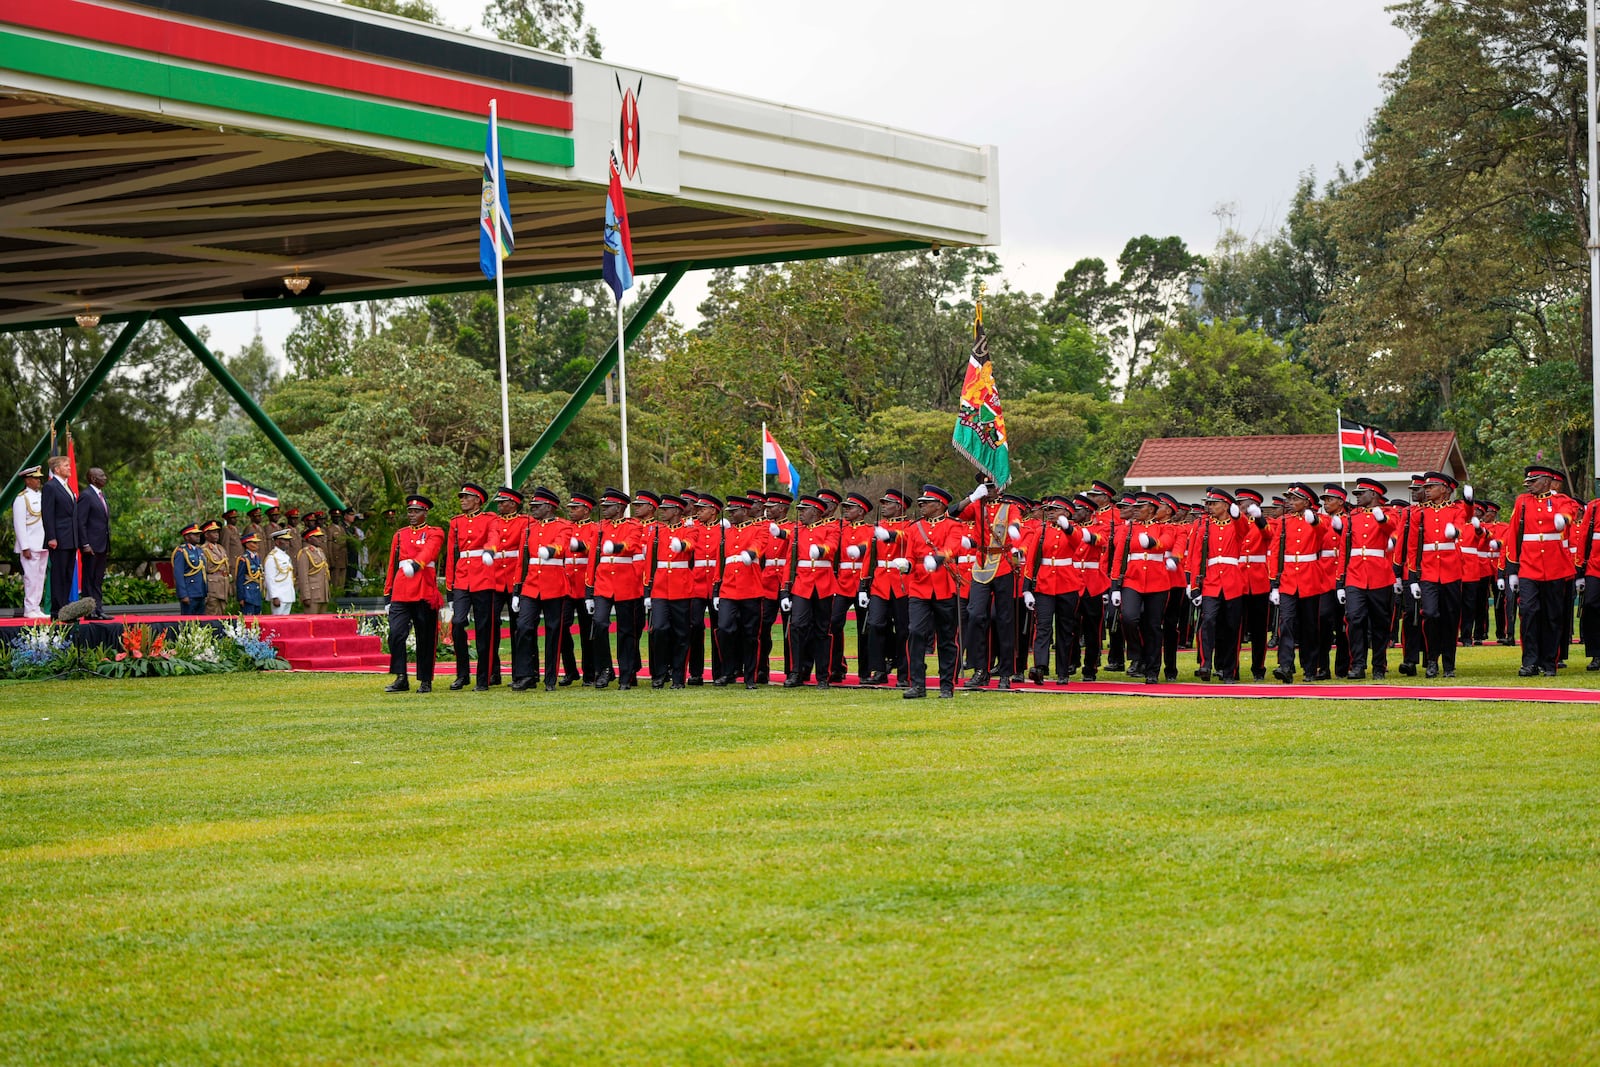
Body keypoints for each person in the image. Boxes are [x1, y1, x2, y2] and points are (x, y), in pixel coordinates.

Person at [1504, 465, 1579, 677]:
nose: (1529, 486)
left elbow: (1570, 512)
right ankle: (1529, 662)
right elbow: (1513, 534)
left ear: (1546, 481)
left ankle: (1549, 662)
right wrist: (1512, 570)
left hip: (1555, 567)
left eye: (1533, 481)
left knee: (1552, 616)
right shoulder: (1522, 502)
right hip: (1528, 566)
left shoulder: (1560, 500)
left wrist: (1562, 519)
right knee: (1528, 612)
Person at [899, 484, 966, 699]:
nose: (921, 506)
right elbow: (910, 555)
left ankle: (947, 684)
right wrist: (906, 565)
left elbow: (953, 548)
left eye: (926, 503)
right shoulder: (914, 527)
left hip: (944, 585)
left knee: (947, 637)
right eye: (921, 503)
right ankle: (917, 683)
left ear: (940, 505)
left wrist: (938, 559)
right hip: (919, 586)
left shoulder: (953, 525)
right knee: (916, 633)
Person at [1405, 471, 1472, 679]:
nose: (1426, 490)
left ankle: (1449, 664)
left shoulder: (1455, 509)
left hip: (1451, 570)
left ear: (1444, 490)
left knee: (1451, 618)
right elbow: (1413, 547)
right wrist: (1413, 577)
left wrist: (1457, 530)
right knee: (1431, 614)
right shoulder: (1420, 513)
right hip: (1428, 571)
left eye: (1430, 487)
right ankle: (1432, 660)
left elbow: (1464, 520)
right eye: (1425, 487)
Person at [1184, 488, 1254, 684]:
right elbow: (1197, 557)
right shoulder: (1205, 527)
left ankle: (1229, 670)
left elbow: (1244, 528)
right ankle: (1205, 664)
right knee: (1208, 621)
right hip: (1211, 582)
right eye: (1209, 504)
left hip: (1232, 582)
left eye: (1214, 504)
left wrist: (1236, 513)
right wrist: (1194, 585)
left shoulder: (1235, 524)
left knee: (1231, 628)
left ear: (1225, 505)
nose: (1210, 507)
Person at [1268, 483, 1334, 684]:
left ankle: (1310, 667)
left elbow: (1323, 532)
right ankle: (1285, 665)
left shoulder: (1320, 519)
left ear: (1306, 502)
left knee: (1309, 625)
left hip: (1309, 578)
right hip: (1288, 578)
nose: (1291, 503)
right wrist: (1274, 583)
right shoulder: (1284, 521)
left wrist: (1313, 521)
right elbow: (1275, 551)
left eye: (1296, 499)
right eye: (1291, 499)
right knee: (1286, 623)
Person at [1111, 492, 1176, 685]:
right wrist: (1115, 585)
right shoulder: (1128, 529)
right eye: (1136, 507)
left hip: (1157, 581)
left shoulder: (1164, 527)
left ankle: (1152, 670)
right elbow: (1118, 556)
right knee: (1129, 617)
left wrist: (1153, 543)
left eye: (1141, 507)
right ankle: (1137, 653)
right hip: (1133, 579)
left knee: (1153, 626)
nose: (1136, 510)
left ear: (1152, 509)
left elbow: (1167, 543)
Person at [512, 487, 573, 692]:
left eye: (537, 506)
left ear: (549, 507)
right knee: (523, 626)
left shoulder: (563, 526)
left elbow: (562, 546)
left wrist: (550, 550)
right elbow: (523, 560)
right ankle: (526, 675)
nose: (533, 510)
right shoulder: (529, 528)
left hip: (554, 585)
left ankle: (550, 678)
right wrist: (516, 590)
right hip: (531, 585)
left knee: (553, 631)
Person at [587, 487, 647, 689]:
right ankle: (604, 669)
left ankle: (626, 674)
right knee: (600, 624)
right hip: (603, 583)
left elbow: (631, 545)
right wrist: (589, 589)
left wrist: (616, 547)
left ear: (620, 507)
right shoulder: (600, 527)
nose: (604, 509)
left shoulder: (634, 525)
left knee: (626, 631)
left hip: (626, 583)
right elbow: (592, 558)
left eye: (608, 506)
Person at [384, 494, 445, 693]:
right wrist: (387, 595)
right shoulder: (400, 535)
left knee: (426, 637)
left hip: (424, 591)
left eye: (416, 511)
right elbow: (392, 566)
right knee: (396, 634)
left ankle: (425, 679)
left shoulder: (434, 532)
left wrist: (417, 564)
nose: (412, 515)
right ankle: (401, 677)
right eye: (410, 511)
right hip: (401, 592)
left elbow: (430, 551)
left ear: (425, 513)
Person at [781, 495, 841, 688]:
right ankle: (796, 671)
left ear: (815, 512)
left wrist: (821, 550)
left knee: (822, 630)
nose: (800, 514)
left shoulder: (830, 528)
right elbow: (790, 561)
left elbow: (832, 546)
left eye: (804, 510)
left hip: (823, 584)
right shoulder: (797, 531)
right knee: (797, 626)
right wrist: (785, 589)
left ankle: (823, 675)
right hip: (802, 584)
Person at [1341, 478, 1397, 680]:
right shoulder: (1352, 516)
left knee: (1380, 622)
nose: (1357, 497)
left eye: (1360, 494)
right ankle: (1357, 664)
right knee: (1354, 618)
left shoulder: (1389, 513)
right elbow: (1343, 546)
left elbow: (1392, 529)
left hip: (1379, 575)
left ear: (1373, 495)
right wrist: (1341, 579)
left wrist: (1380, 518)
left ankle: (1379, 666)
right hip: (1355, 574)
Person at [444, 482, 497, 692]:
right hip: (462, 578)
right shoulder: (456, 522)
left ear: (478, 500)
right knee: (457, 624)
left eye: (467, 497)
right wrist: (450, 586)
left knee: (483, 628)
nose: (462, 500)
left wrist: (489, 550)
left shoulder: (489, 519)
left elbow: (494, 536)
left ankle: (483, 678)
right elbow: (451, 554)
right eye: (461, 497)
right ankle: (462, 673)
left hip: (483, 577)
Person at [646, 494, 696, 689]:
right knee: (658, 629)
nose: (662, 512)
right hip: (659, 587)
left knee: (681, 634)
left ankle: (678, 677)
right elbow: (650, 561)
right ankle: (659, 673)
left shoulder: (688, 529)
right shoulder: (657, 531)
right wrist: (647, 589)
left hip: (681, 587)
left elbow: (692, 544)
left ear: (676, 511)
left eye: (666, 509)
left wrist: (681, 545)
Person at [71, 466, 112, 619]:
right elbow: (81, 522)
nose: (105, 477)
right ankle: (89, 611)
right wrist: (85, 544)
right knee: (89, 580)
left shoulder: (101, 495)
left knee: (97, 580)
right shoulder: (87, 495)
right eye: (102, 475)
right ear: (94, 479)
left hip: (102, 544)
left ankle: (99, 609)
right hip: (91, 546)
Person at [40, 455, 77, 619]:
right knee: (58, 575)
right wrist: (51, 537)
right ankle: (56, 610)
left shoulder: (67, 486)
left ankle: (65, 609)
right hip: (59, 539)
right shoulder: (51, 486)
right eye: (66, 465)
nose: (69, 468)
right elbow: (48, 514)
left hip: (71, 538)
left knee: (68, 574)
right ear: (56, 469)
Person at [11, 465, 48, 619]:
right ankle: (29, 608)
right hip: (30, 544)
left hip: (42, 543)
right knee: (31, 578)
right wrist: (24, 546)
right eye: (35, 478)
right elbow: (19, 525)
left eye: (39, 478)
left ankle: (36, 607)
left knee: (40, 577)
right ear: (27, 480)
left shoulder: (41, 496)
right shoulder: (21, 498)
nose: (38, 481)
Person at [171, 523, 207, 615]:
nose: (198, 536)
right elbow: (178, 575)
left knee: (200, 624)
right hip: (189, 593)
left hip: (200, 592)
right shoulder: (182, 551)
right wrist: (183, 595)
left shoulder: (199, 550)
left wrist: (205, 591)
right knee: (188, 624)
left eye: (198, 534)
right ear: (187, 537)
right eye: (194, 534)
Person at [296, 527, 331, 615]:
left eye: (321, 537)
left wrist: (327, 593)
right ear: (309, 538)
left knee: (322, 623)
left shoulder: (320, 552)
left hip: (322, 593)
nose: (320, 539)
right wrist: (306, 596)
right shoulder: (305, 553)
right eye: (317, 537)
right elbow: (303, 576)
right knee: (311, 621)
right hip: (312, 594)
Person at [200, 519, 230, 614]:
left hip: (223, 585)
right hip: (212, 587)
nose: (217, 534)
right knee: (212, 613)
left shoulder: (221, 548)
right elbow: (203, 570)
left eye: (217, 532)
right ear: (206, 535)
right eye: (213, 532)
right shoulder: (203, 550)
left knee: (223, 614)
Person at [264, 528, 296, 614]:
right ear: (277, 542)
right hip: (279, 596)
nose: (287, 543)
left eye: (288, 540)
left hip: (287, 595)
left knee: (286, 623)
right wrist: (274, 596)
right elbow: (269, 578)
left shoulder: (285, 556)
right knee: (277, 622)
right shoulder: (272, 557)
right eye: (285, 540)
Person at [235, 532, 264, 615]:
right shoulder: (244, 559)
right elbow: (240, 579)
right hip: (248, 594)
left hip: (256, 593)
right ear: (247, 544)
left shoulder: (257, 557)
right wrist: (241, 597)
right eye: (254, 543)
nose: (257, 545)